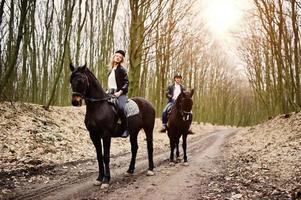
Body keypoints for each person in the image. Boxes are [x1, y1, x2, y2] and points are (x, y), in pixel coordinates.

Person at [107, 50, 129, 138]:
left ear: (121, 60)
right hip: (110, 93)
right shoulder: (110, 70)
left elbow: (126, 83)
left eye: (120, 57)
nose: (118, 58)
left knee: (121, 108)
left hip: (120, 93)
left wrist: (120, 92)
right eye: (117, 56)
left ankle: (126, 128)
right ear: (114, 57)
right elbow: (110, 83)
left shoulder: (122, 70)